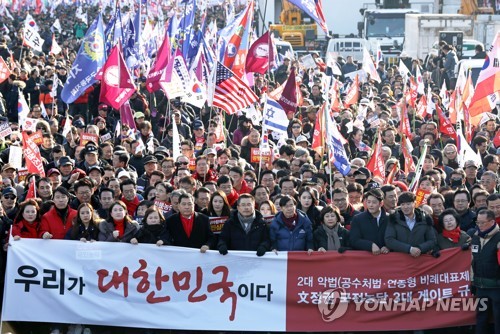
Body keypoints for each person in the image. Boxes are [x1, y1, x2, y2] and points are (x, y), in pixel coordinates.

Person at [470, 209, 500, 334]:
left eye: (483, 223)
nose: (480, 225)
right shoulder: (476, 237)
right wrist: (472, 281)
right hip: (480, 287)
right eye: (478, 222)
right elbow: (472, 261)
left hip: (496, 287)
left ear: (492, 221)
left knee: (498, 319)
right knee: (481, 318)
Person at [385, 192, 437, 257]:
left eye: (408, 204)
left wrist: (420, 248)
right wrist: (409, 249)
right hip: (400, 259)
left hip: (420, 259)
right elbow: (389, 240)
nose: (405, 207)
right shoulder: (394, 219)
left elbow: (432, 240)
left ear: (415, 204)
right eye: (403, 204)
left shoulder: (425, 219)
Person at [350, 189, 389, 255]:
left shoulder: (390, 218)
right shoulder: (358, 219)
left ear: (381, 203)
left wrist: (388, 247)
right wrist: (370, 245)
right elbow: (354, 240)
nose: (371, 205)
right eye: (368, 202)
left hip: (386, 259)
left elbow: (395, 238)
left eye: (374, 202)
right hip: (366, 259)